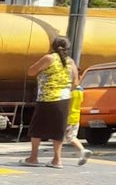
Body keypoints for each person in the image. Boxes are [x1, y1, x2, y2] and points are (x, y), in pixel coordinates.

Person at [23, 36, 79, 168]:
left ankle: (33, 158)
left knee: (37, 128)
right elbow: (76, 82)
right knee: (58, 130)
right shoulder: (70, 62)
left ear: (53, 46)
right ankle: (57, 160)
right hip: (64, 99)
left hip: (47, 98)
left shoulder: (49, 58)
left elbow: (31, 71)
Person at [64, 82, 89, 166]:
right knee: (71, 136)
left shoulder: (68, 90)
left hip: (68, 117)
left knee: (65, 138)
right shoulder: (80, 90)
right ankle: (82, 151)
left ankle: (82, 150)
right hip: (76, 116)